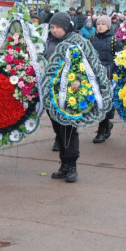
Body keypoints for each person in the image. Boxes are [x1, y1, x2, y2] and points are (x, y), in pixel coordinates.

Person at [45, 12, 80, 182]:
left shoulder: (76, 42)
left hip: (70, 94)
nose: (54, 30)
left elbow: (84, 64)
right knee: (58, 130)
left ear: (65, 27)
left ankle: (72, 165)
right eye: (51, 27)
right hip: (52, 94)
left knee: (69, 130)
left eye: (57, 27)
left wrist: (78, 80)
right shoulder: (49, 43)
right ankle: (63, 164)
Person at [89, 14, 122, 143]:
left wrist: (109, 69)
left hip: (109, 77)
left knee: (106, 103)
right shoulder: (92, 39)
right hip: (95, 76)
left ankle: (102, 129)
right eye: (98, 24)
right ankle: (106, 125)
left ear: (108, 26)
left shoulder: (114, 41)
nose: (100, 26)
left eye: (103, 24)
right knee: (96, 103)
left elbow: (119, 59)